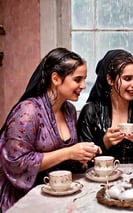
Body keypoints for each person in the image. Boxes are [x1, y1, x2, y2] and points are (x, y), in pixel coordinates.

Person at [0, 48, 100, 212]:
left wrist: (81, 157)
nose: (83, 85)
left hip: (58, 194)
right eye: (77, 79)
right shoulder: (28, 111)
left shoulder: (69, 110)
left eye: (84, 79)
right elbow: (16, 163)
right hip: (22, 199)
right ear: (56, 78)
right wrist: (68, 152)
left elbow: (62, 161)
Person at [77, 49, 133, 163]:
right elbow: (82, 160)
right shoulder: (91, 111)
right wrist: (104, 143)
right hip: (103, 179)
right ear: (110, 79)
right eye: (127, 78)